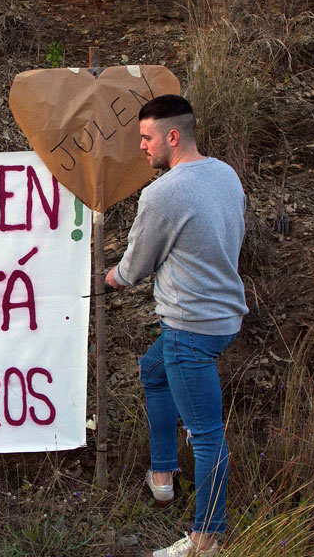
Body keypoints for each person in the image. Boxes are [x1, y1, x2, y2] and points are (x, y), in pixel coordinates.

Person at [105, 95, 248, 557]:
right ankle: (163, 474)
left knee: (206, 436)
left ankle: (205, 540)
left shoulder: (163, 194)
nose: (141, 147)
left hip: (191, 327)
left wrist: (111, 278)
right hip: (224, 318)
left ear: (172, 136)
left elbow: (136, 266)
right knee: (153, 371)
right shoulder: (225, 174)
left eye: (146, 138)